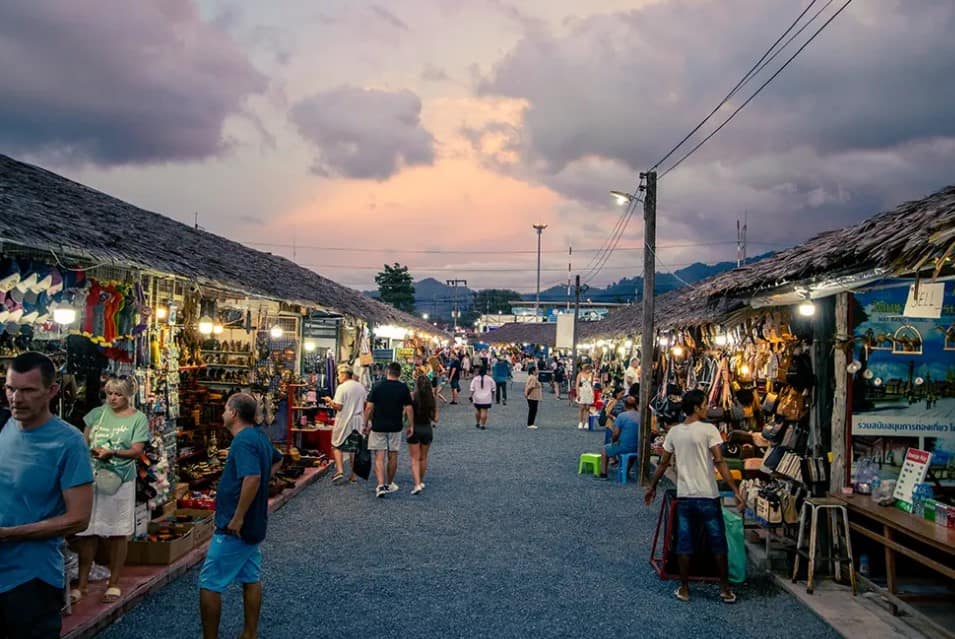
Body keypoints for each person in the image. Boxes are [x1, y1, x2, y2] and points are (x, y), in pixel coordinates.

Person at [0, 352, 93, 639]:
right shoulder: (3, 426)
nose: (16, 398)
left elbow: (79, 519)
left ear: (51, 391)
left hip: (31, 581)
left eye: (28, 390)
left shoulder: (68, 442)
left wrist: (9, 533)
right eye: (10, 388)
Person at [644, 389, 744, 604]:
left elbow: (662, 464)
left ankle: (684, 587)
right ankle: (725, 589)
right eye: (705, 405)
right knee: (718, 542)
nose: (707, 408)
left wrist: (652, 487)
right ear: (697, 408)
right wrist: (735, 490)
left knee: (684, 542)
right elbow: (720, 461)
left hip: (685, 496)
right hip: (708, 494)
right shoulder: (709, 430)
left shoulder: (674, 432)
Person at [199, 392, 283, 639]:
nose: (224, 413)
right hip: (253, 522)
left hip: (236, 525)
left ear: (234, 413)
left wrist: (238, 516)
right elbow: (277, 461)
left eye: (225, 409)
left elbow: (253, 476)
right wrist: (260, 489)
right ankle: (249, 633)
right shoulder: (258, 436)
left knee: (209, 582)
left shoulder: (243, 440)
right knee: (250, 577)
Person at [73, 375, 150, 604]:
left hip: (121, 480)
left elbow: (137, 450)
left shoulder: (138, 418)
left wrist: (113, 453)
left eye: (118, 394)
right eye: (109, 393)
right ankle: (82, 583)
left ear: (128, 396)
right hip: (94, 476)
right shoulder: (97, 413)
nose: (113, 398)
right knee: (88, 530)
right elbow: (83, 441)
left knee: (118, 530)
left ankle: (114, 582)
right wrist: (92, 452)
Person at [364, 362, 414, 498]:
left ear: (387, 372)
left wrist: (365, 424)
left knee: (379, 457)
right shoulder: (403, 388)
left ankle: (380, 485)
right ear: (400, 373)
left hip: (378, 426)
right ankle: (390, 484)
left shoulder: (377, 386)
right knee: (393, 456)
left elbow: (369, 407)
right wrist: (411, 425)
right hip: (395, 426)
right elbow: (409, 408)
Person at [323, 364, 367, 484]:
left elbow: (339, 406)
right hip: (358, 420)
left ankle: (340, 470)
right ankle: (353, 475)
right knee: (354, 448)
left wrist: (330, 401)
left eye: (338, 375)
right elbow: (365, 404)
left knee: (336, 445)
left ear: (343, 374)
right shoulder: (361, 387)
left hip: (344, 419)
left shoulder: (342, 388)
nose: (338, 377)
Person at [408, 375, 438, 495]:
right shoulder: (432, 398)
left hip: (415, 428)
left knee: (414, 459)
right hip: (427, 428)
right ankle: (420, 481)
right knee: (423, 458)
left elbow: (407, 412)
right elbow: (436, 418)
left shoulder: (412, 396)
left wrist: (410, 425)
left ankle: (416, 484)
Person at [599, 396, 639, 478]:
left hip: (624, 446)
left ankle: (603, 474)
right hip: (637, 446)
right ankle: (626, 472)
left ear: (625, 405)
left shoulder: (622, 416)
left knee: (604, 450)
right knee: (630, 456)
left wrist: (613, 441)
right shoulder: (640, 416)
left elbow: (615, 434)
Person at [469, 365, 496, 430]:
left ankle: (477, 422)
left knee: (478, 410)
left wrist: (471, 396)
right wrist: (492, 396)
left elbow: (472, 389)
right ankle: (482, 424)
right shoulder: (490, 379)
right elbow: (493, 389)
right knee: (484, 411)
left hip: (477, 397)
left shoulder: (475, 379)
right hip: (487, 398)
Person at [576, 363, 595, 429]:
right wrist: (578, 394)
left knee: (587, 408)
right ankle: (580, 422)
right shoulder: (580, 375)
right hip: (582, 391)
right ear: (585, 369)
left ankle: (586, 422)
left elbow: (592, 384)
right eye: (589, 369)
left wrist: (593, 394)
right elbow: (577, 385)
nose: (590, 370)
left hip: (589, 391)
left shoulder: (591, 375)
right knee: (581, 408)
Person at [524, 365, 543, 429]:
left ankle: (531, 423)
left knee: (533, 409)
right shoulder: (533, 378)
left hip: (532, 396)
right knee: (533, 410)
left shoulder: (531, 377)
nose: (538, 371)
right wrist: (528, 393)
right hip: (533, 396)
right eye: (536, 370)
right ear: (533, 371)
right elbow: (531, 387)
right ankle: (530, 423)